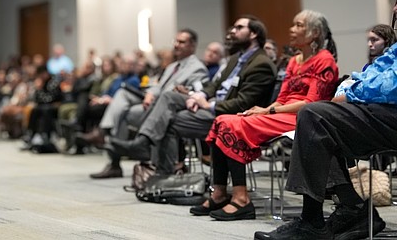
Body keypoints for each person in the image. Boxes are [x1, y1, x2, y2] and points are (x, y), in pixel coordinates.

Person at [254, 0, 397, 240]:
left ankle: (315, 222)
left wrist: (347, 93)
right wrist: (349, 88)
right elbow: (372, 71)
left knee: (316, 116)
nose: (395, 10)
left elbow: (396, 85)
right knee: (320, 124)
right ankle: (350, 208)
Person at [197, 10, 339, 221]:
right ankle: (218, 192)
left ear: (315, 33)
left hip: (304, 117)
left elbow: (311, 103)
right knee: (221, 120)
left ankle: (241, 199)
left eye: (298, 25)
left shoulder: (324, 60)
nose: (292, 29)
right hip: (281, 113)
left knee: (231, 125)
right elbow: (281, 98)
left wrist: (269, 110)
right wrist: (265, 109)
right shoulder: (294, 61)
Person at [105, 16, 276, 180]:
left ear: (253, 34)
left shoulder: (261, 63)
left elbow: (243, 104)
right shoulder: (235, 59)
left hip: (232, 117)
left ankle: (162, 172)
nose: (232, 31)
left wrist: (208, 105)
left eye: (239, 28)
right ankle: (150, 154)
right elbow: (213, 86)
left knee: (168, 119)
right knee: (168, 101)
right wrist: (197, 96)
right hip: (211, 107)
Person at [89, 29, 208, 179]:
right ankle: (106, 138)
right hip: (154, 103)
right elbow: (159, 86)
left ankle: (117, 149)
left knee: (126, 111)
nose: (176, 45)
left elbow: (196, 92)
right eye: (175, 41)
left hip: (171, 108)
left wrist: (179, 93)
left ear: (192, 45)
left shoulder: (197, 68)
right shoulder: (172, 66)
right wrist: (151, 93)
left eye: (182, 42)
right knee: (122, 96)